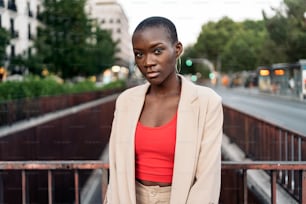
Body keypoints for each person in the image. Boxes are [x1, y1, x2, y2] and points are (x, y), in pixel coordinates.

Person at [104, 16, 223, 204]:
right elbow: (117, 170)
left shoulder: (206, 102)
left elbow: (207, 179)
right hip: (130, 197)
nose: (147, 62)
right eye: (139, 54)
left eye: (157, 51)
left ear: (177, 50)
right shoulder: (126, 101)